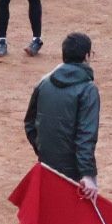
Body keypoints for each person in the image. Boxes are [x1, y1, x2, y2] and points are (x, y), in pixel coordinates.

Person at [24, 32, 100, 199]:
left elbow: (30, 123)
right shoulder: (88, 90)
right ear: (86, 56)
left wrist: (43, 150)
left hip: (46, 164)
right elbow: (86, 135)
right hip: (75, 172)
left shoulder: (44, 82)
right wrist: (87, 174)